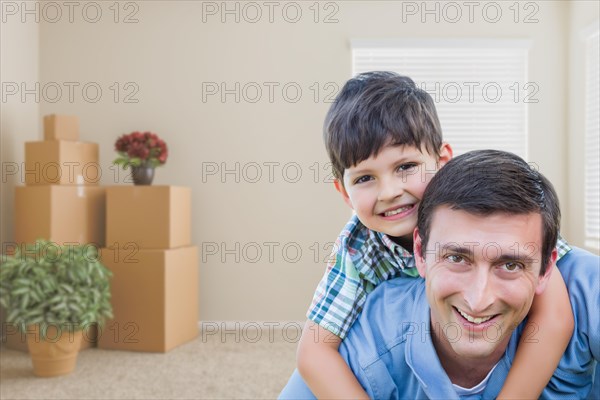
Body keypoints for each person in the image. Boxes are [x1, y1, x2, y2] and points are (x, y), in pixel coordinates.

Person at [295, 72, 574, 399]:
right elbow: (313, 352)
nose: (389, 192)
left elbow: (554, 317)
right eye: (364, 178)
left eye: (405, 167)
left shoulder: (482, 208)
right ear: (344, 192)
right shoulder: (357, 248)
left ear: (441, 160)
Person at [281, 150, 600, 399]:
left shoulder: (584, 288)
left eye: (510, 265)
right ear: (418, 251)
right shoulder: (373, 332)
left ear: (546, 267)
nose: (478, 300)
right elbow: (313, 356)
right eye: (457, 258)